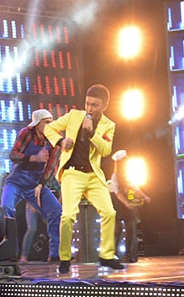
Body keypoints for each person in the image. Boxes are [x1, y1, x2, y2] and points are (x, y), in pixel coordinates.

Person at [44, 84, 124, 274]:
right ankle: (64, 258)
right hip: (72, 174)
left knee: (109, 212)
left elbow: (105, 150)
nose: (89, 108)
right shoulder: (74, 116)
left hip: (93, 175)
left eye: (94, 105)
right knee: (68, 215)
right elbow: (49, 129)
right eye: (87, 103)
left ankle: (106, 255)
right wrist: (61, 141)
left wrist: (92, 133)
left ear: (104, 106)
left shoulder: (108, 125)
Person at [0, 108, 61, 263]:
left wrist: (40, 185)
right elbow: (13, 155)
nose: (50, 125)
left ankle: (55, 254)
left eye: (51, 122)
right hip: (16, 182)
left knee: (56, 211)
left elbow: (51, 167)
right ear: (37, 124)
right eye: (46, 122)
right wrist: (35, 158)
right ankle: (11, 252)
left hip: (35, 185)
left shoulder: (54, 140)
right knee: (6, 207)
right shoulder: (26, 133)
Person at [109, 150, 151, 263]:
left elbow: (134, 187)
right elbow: (117, 193)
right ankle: (112, 255)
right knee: (117, 229)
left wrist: (144, 196)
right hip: (117, 203)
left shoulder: (126, 175)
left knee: (131, 229)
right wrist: (126, 203)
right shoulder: (115, 176)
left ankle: (129, 254)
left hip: (126, 202)